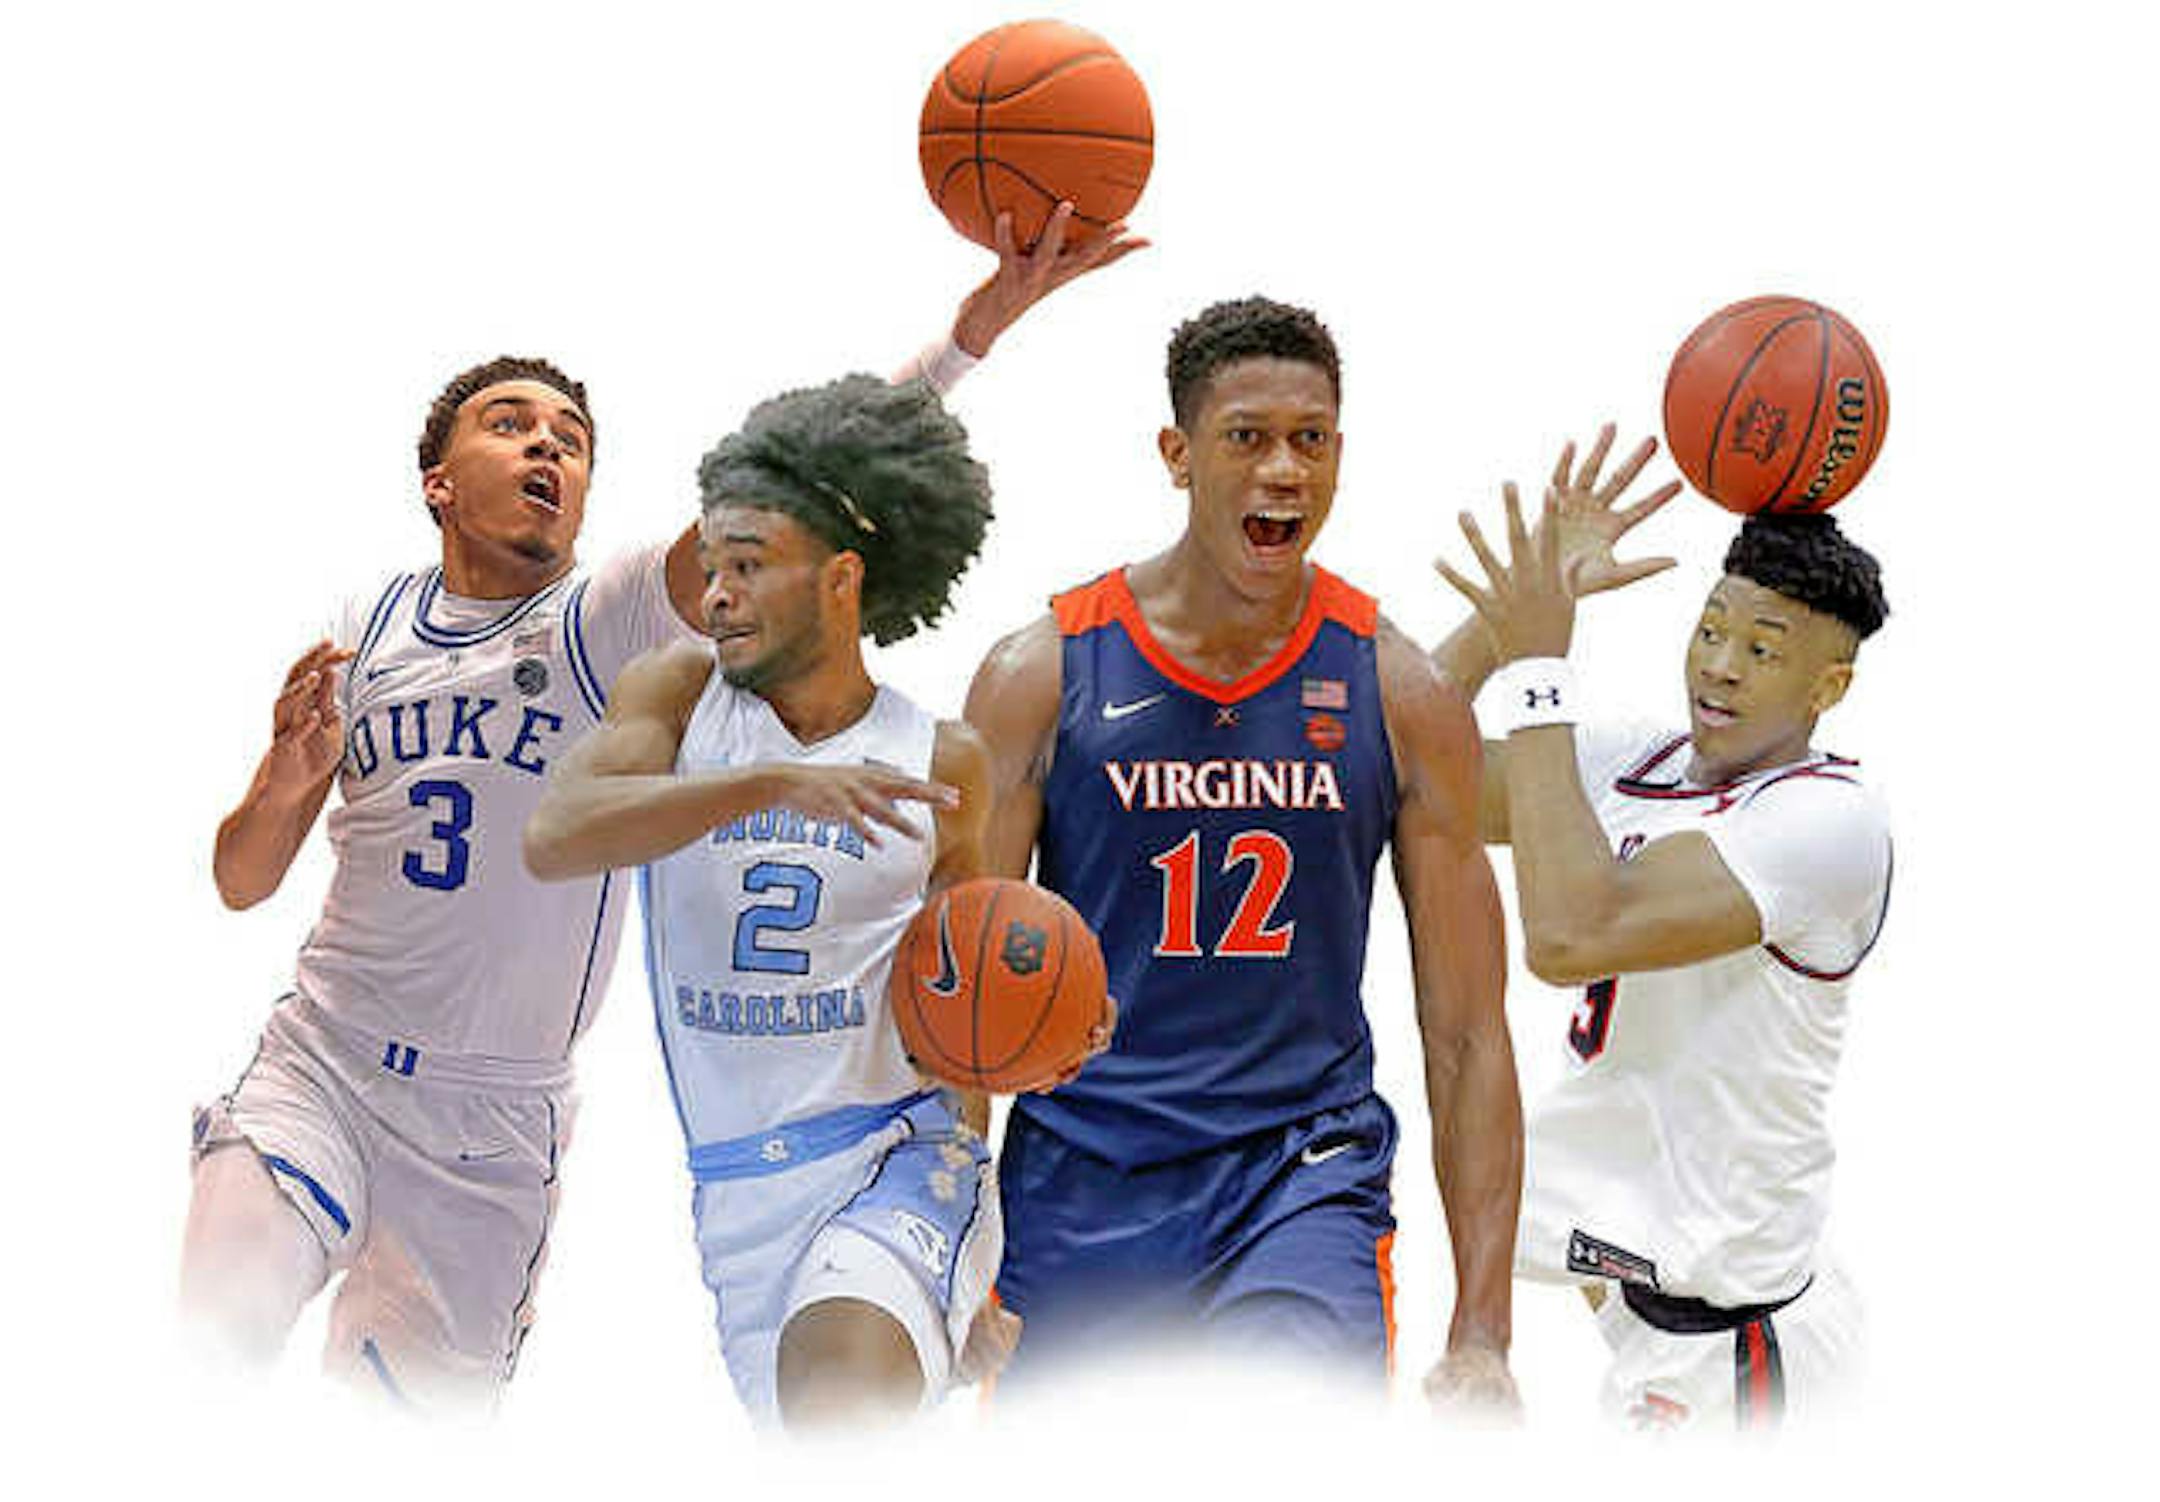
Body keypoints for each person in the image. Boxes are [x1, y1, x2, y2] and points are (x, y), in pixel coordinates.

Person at [181, 209, 1141, 1410]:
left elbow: (799, 481)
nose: (549, 448)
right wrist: (278, 783)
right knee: (210, 1335)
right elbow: (242, 878)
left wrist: (975, 332)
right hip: (320, 1056)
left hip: (488, 1123)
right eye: (511, 424)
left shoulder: (607, 618)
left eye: (571, 439)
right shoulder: (367, 625)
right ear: (438, 480)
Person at [964, 297, 1523, 1409]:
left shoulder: (1401, 692)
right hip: (1082, 1173)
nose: (1284, 471)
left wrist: (1483, 1333)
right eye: (1247, 438)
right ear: (1177, 454)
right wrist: (948, 1243)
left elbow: (1465, 1028)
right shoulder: (1041, 673)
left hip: (1298, 1173)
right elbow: (959, 995)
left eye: (1310, 441)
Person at [521, 374, 1098, 1428]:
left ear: (840, 578)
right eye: (712, 568)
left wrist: (966, 1249)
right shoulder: (678, 694)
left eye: (748, 565)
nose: (720, 593)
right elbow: (556, 836)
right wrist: (769, 782)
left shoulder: (940, 759)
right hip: (737, 1192)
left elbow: (958, 1019)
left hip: (899, 1157)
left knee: (838, 1399)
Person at [1430, 429, 1892, 1429]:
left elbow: (1570, 935)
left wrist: (1539, 667)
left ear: (1829, 685)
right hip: (1640, 1286)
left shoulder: (1826, 822)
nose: (1720, 666)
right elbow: (1395, 774)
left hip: (1741, 1349)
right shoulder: (1638, 758)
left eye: (1763, 647)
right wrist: (1513, 610)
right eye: (1711, 627)